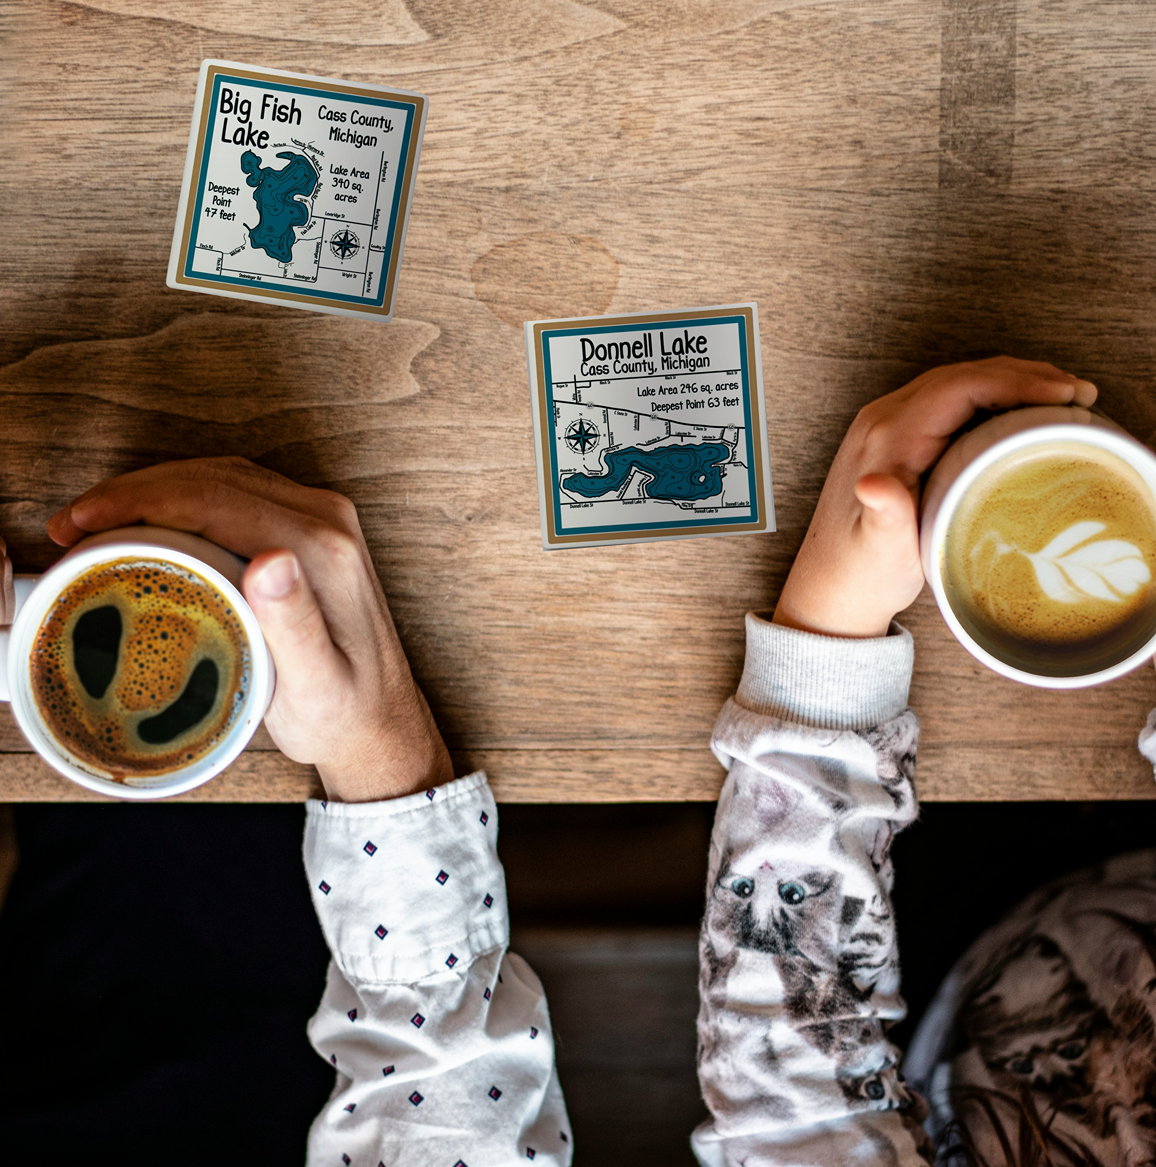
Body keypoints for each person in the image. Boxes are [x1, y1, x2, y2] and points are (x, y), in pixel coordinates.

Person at [3, 356, 1153, 1164]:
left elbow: (794, 1105)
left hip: (968, 999)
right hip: (1030, 896)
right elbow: (799, 1082)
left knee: (141, 880)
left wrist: (384, 767)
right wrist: (826, 653)